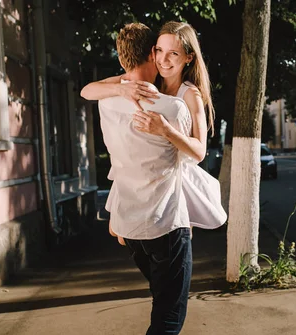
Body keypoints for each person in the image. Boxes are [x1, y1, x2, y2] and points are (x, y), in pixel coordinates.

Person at [80, 23, 191, 335]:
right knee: (169, 318)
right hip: (166, 224)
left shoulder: (107, 100)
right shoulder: (172, 107)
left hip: (129, 227)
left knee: (162, 305)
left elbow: (88, 89)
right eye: (158, 53)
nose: (162, 59)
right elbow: (193, 155)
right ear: (150, 55)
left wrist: (119, 86)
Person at [82, 21, 226, 244]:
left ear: (188, 57)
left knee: (173, 237)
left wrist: (166, 130)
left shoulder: (190, 94)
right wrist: (120, 87)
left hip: (174, 177)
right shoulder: (149, 80)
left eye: (173, 54)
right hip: (142, 173)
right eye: (159, 51)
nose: (163, 60)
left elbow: (199, 152)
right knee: (121, 235)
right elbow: (87, 90)